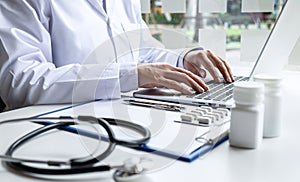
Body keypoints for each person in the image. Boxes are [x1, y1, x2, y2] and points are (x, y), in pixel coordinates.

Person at [0, 0, 234, 111]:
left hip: (123, 119)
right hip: (53, 131)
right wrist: (129, 76)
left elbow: (141, 52)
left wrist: (181, 60)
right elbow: (20, 80)